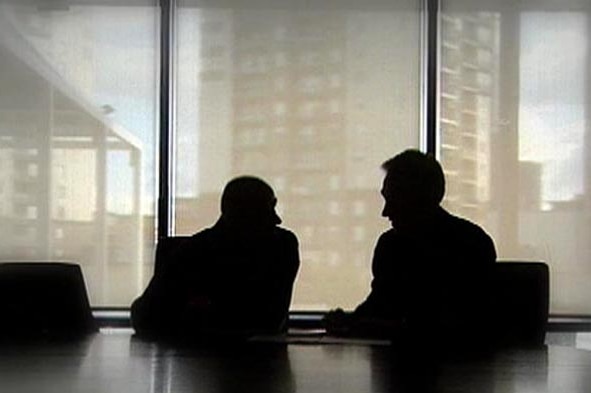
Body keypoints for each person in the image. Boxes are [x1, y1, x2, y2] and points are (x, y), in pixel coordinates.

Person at [324, 150, 496, 343]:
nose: (385, 212)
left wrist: (357, 323)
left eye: (393, 200)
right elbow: (380, 304)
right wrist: (350, 321)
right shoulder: (472, 241)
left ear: (418, 198)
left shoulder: (469, 246)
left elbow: (458, 326)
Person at [131, 176, 300, 340]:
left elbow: (270, 319)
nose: (277, 219)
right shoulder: (193, 252)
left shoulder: (283, 245)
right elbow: (144, 317)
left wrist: (205, 314)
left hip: (198, 359)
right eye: (266, 210)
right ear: (240, 214)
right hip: (252, 361)